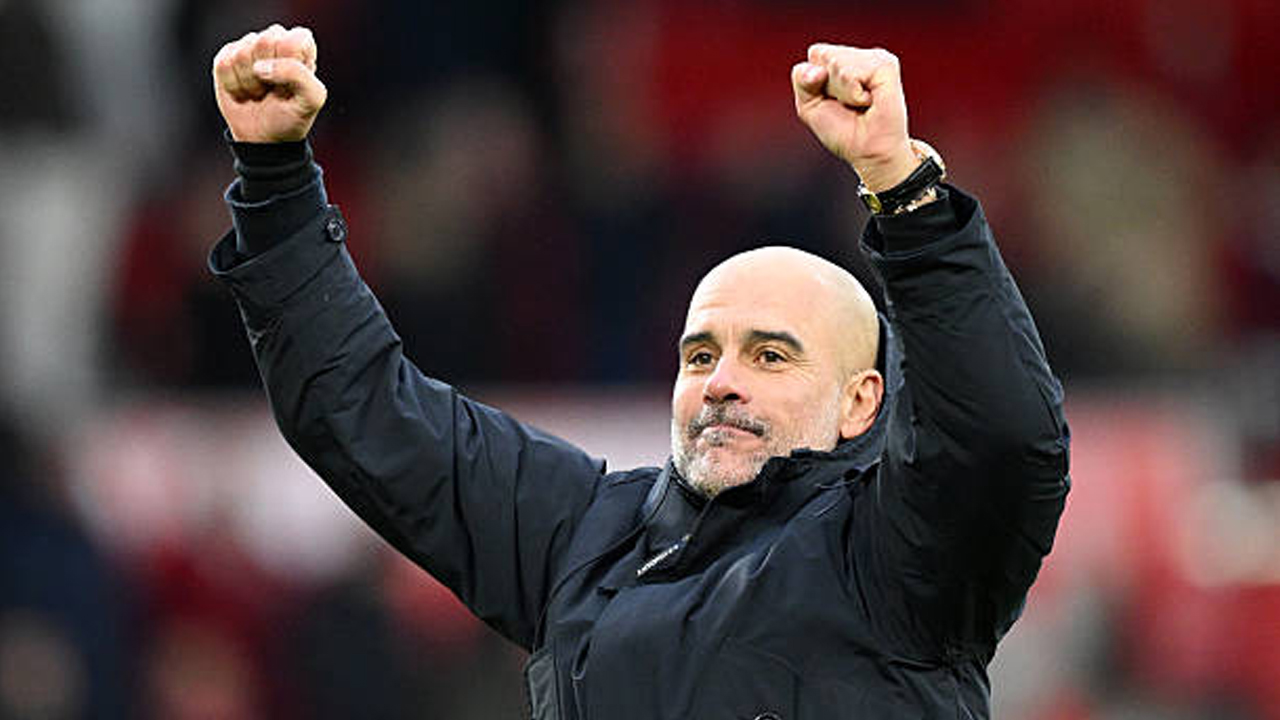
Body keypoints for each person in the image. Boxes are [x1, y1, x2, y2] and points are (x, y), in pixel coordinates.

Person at [208, 24, 1070, 719]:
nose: (721, 381)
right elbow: (361, 410)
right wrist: (276, 178)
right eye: (701, 355)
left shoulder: (905, 551)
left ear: (861, 401)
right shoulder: (584, 533)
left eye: (771, 355)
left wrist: (907, 193)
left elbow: (1004, 435)